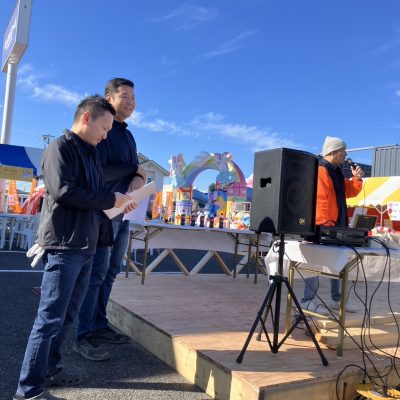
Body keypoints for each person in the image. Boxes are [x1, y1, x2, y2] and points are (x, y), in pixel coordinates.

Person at [13, 95, 134, 400]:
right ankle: (28, 390)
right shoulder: (60, 148)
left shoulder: (90, 153)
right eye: (104, 128)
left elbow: (96, 196)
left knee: (67, 316)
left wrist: (120, 201)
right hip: (65, 245)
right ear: (86, 118)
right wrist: (111, 199)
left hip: (86, 245)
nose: (105, 135)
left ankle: (49, 370)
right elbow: (64, 191)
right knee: (49, 319)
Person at [74, 78, 147, 361]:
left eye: (133, 98)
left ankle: (99, 324)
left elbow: (135, 172)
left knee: (112, 271)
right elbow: (98, 171)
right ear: (109, 98)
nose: (130, 102)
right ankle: (84, 335)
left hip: (125, 213)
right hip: (104, 213)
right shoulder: (102, 131)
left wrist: (138, 177)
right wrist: (134, 170)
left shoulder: (128, 136)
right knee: (96, 274)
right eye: (124, 96)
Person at [301, 136, 364, 315]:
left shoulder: (336, 171)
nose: (345, 155)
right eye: (343, 151)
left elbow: (349, 191)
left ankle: (336, 299)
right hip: (322, 227)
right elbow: (320, 199)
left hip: (334, 227)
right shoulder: (322, 169)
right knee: (314, 264)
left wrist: (357, 178)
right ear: (334, 152)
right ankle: (307, 300)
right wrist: (325, 225)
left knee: (339, 262)